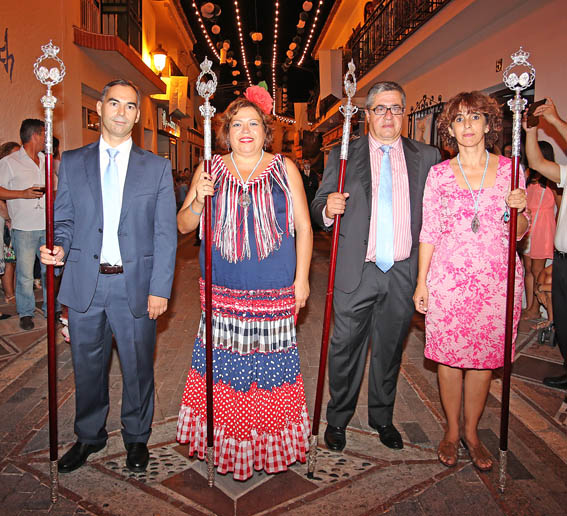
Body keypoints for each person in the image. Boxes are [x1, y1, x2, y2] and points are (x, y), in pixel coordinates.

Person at [40, 79, 177, 473]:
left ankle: (136, 437)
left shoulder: (156, 168)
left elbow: (166, 234)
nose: (121, 111)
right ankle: (89, 437)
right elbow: (63, 219)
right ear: (99, 108)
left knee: (137, 367)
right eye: (114, 103)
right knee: (87, 367)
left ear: (137, 115)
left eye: (130, 106)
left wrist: (160, 289)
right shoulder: (73, 162)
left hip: (135, 286)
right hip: (85, 283)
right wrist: (59, 247)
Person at [176, 86, 313, 480]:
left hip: (274, 288)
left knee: (270, 373)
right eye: (237, 124)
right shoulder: (209, 168)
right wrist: (199, 201)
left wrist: (301, 280)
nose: (246, 130)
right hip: (223, 290)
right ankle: (230, 445)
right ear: (226, 131)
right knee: (227, 372)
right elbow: (184, 226)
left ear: (266, 130)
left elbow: (303, 227)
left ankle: (269, 447)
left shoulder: (284, 168)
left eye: (254, 123)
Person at [311, 81, 441, 452]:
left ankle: (382, 417)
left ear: (405, 113)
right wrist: (327, 210)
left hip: (402, 272)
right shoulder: (343, 154)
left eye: (396, 108)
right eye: (380, 109)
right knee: (344, 348)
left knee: (389, 350)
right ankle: (338, 418)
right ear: (367, 115)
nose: (388, 116)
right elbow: (319, 204)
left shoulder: (427, 157)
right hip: (358, 270)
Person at [413, 91, 529, 471]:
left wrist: (519, 211)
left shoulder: (512, 170)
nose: (467, 126)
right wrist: (422, 282)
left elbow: (521, 231)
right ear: (449, 128)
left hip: (495, 281)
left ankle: (473, 432)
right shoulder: (439, 175)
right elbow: (428, 231)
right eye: (459, 119)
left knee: (483, 362)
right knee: (449, 359)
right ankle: (450, 431)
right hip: (448, 280)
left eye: (475, 117)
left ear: (489, 124)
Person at [524, 98, 567, 390]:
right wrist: (531, 130)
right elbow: (537, 163)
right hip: (563, 257)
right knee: (564, 320)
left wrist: (554, 119)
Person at [0, 120, 54, 330]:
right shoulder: (10, 162)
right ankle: (26, 313)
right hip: (23, 228)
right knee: (24, 275)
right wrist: (22, 194)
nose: (46, 139)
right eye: (44, 134)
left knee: (49, 272)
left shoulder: (46, 160)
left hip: (47, 224)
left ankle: (52, 308)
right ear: (35, 135)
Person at [521, 142, 560, 321]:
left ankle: (535, 308)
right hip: (530, 227)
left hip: (543, 227)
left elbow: (561, 208)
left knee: (538, 270)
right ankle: (530, 306)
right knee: (527, 268)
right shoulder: (528, 175)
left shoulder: (552, 178)